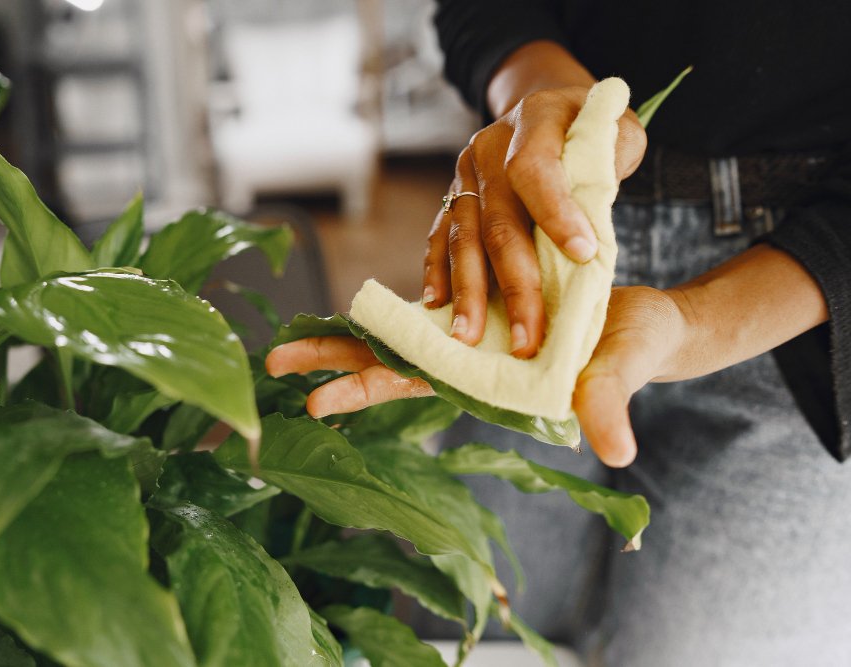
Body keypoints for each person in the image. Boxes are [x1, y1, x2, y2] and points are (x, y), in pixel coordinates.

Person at [267, 2, 851, 665]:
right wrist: (532, 85)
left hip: (804, 302)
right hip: (535, 231)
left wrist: (695, 321)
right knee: (476, 620)